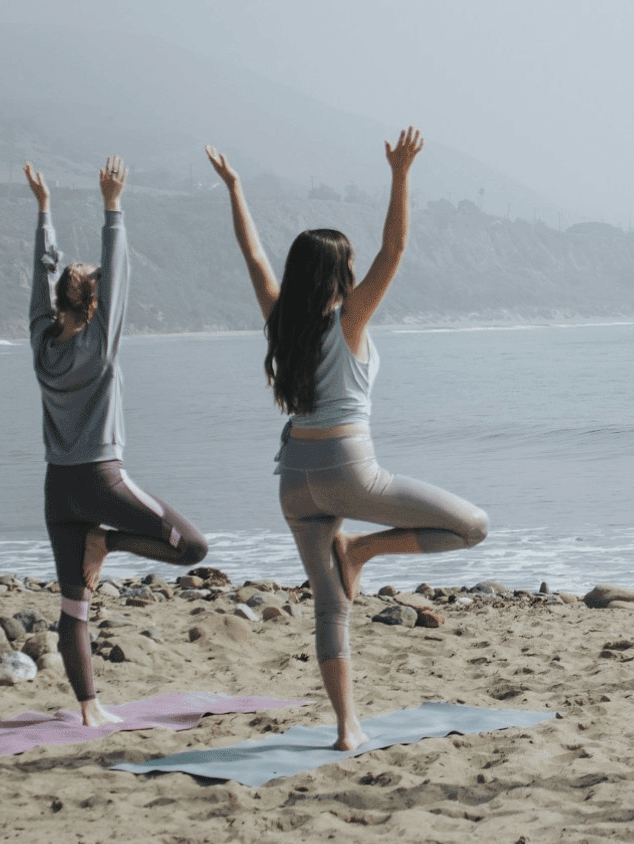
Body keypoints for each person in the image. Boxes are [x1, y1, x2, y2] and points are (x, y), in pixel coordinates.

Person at [206, 129, 488, 752]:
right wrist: (401, 172)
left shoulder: (282, 320)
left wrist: (235, 188)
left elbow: (253, 257)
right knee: (472, 527)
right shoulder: (350, 319)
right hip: (347, 470)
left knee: (329, 609)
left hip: (292, 482)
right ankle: (361, 551)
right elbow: (396, 248)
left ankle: (346, 728)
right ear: (341, 272)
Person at [25, 157, 209, 727]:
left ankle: (88, 709)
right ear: (96, 308)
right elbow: (118, 269)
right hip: (103, 482)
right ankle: (109, 544)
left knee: (73, 606)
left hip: (59, 489)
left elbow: (40, 276)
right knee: (192, 547)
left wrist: (45, 213)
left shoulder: (40, 340)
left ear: (58, 304)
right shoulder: (101, 345)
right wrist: (113, 206)